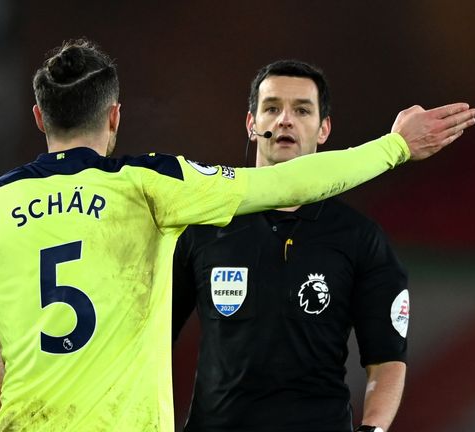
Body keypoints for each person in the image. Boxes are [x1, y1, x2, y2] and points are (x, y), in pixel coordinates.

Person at [0, 39, 475, 431]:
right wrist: (395, 146)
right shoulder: (152, 186)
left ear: (37, 116)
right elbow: (287, 180)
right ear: (116, 116)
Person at [172, 59, 417, 432]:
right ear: (251, 125)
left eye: (302, 110)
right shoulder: (204, 226)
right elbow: (153, 338)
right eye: (272, 108)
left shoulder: (359, 237)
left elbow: (386, 358)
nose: (285, 120)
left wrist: (374, 428)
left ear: (324, 129)